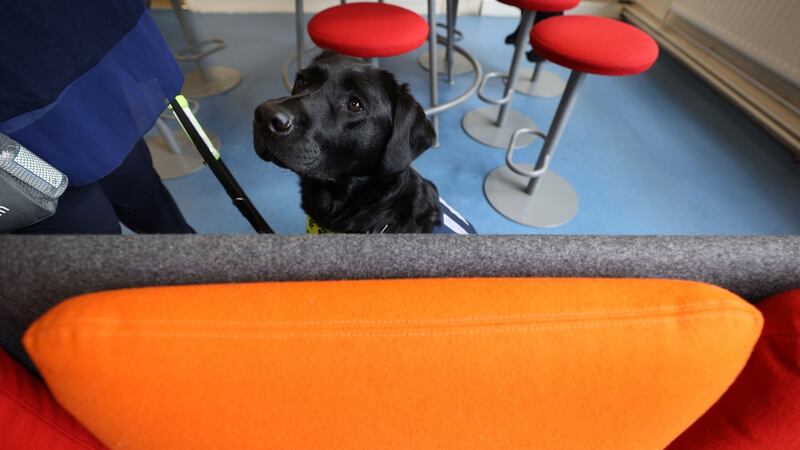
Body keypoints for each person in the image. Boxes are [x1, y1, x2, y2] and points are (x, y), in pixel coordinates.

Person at [0, 0, 193, 234]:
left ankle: (195, 265)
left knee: (141, 198)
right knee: (91, 239)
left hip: (81, 73)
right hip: (20, 136)